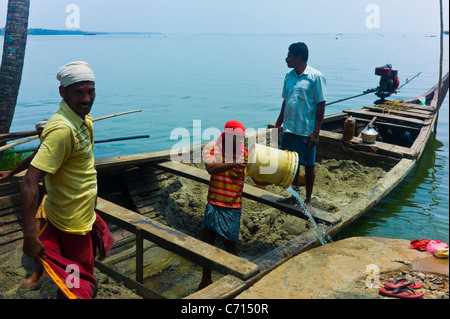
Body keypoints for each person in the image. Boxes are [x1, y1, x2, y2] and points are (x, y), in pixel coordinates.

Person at [20, 61, 112, 299]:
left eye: (90, 91)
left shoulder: (83, 119)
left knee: (73, 277)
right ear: (63, 92)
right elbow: (30, 181)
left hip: (80, 213)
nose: (86, 98)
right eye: (78, 92)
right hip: (73, 224)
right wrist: (29, 236)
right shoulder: (62, 129)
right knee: (76, 282)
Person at [274, 42, 326, 214]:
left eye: (289, 55)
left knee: (309, 165)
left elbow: (320, 104)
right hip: (289, 128)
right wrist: (278, 124)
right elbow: (286, 101)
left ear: (298, 57)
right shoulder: (288, 77)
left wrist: (316, 132)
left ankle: (308, 200)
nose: (286, 58)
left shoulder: (315, 77)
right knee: (291, 165)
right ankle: (294, 195)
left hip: (306, 130)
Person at [197, 120, 248, 290]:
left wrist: (276, 178)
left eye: (242, 138)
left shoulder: (245, 154)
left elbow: (257, 177)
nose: (241, 141)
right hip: (213, 204)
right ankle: (206, 280)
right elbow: (211, 168)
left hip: (232, 207)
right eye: (238, 138)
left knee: (230, 248)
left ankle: (237, 280)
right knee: (207, 246)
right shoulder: (212, 148)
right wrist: (232, 164)